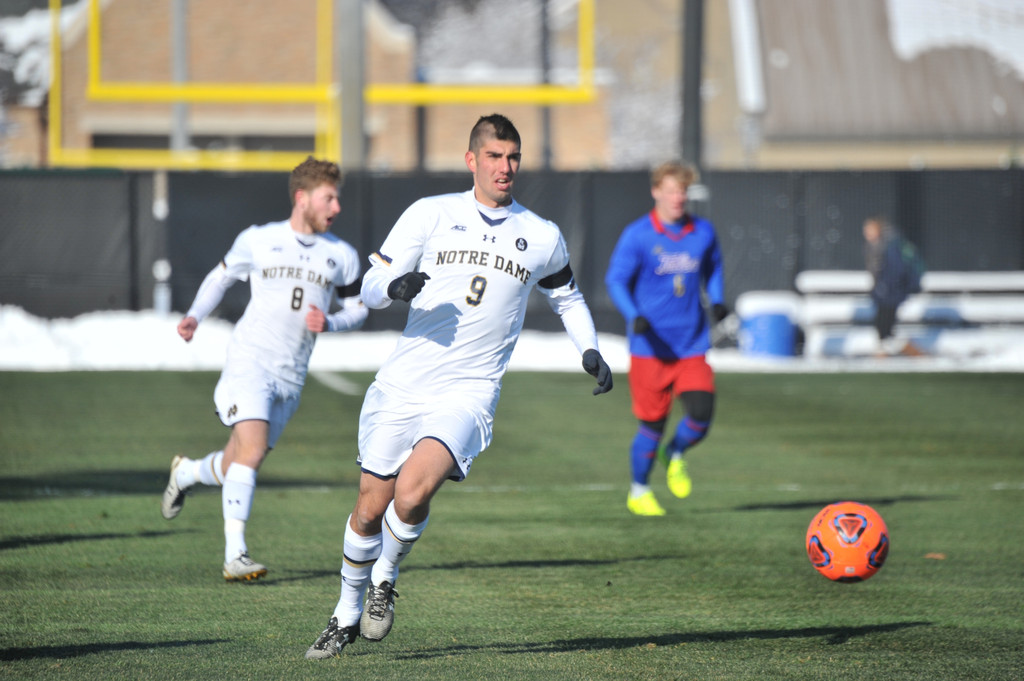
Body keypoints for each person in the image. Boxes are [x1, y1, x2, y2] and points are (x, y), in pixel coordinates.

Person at [304, 113, 613, 659]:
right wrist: (394, 285)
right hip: (404, 383)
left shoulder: (540, 235)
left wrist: (588, 348)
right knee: (370, 507)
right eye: (494, 157)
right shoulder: (431, 214)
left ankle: (384, 581)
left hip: (470, 390)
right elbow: (371, 284)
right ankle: (344, 612)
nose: (505, 167)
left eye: (513, 157)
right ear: (472, 160)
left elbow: (566, 296)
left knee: (414, 489)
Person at [161, 156, 368, 581]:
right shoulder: (260, 239)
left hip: (291, 376)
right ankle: (235, 554)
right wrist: (195, 316)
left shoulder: (341, 255)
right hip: (250, 360)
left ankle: (186, 472)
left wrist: (331, 322)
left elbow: (358, 309)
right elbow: (221, 277)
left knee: (240, 459)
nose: (336, 208)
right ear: (302, 198)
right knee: (251, 452)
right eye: (329, 198)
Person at [604, 161, 726, 517]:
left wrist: (716, 301)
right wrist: (634, 316)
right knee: (652, 426)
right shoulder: (638, 234)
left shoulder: (702, 232)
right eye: (671, 190)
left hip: (690, 345)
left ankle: (675, 452)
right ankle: (639, 491)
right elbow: (615, 281)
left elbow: (714, 268)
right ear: (656, 191)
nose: (678, 198)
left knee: (701, 414)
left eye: (683, 191)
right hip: (650, 349)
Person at [862, 215, 925, 357]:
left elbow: (896, 271)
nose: (866, 232)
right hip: (884, 294)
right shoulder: (874, 246)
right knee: (883, 329)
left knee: (884, 328)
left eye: (869, 229)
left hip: (891, 294)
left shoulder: (889, 246)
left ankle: (912, 352)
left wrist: (884, 287)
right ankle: (885, 355)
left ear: (878, 229)